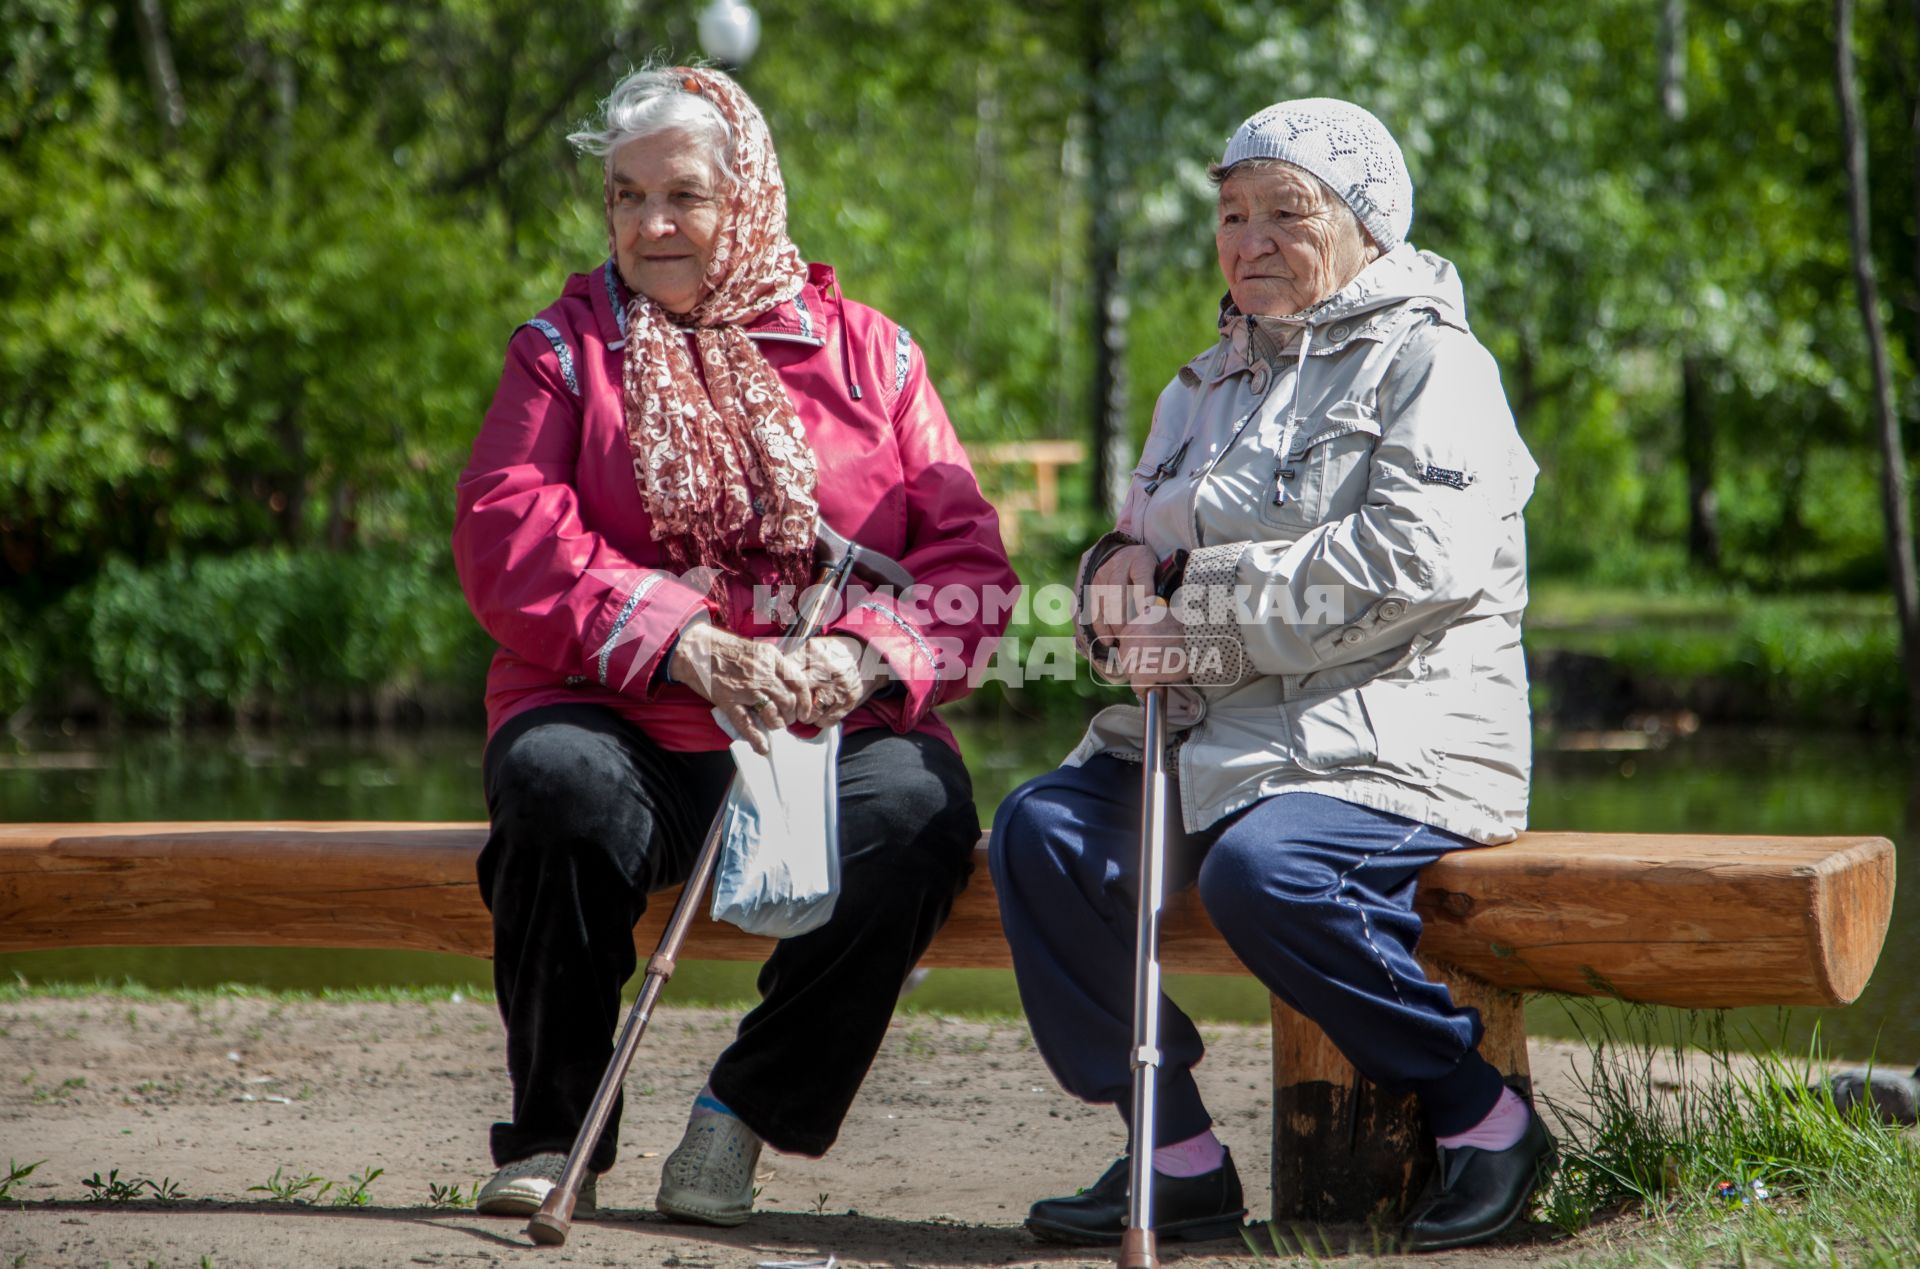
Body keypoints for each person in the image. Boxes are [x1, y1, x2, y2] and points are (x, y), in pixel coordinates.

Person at [452, 65, 1015, 1227]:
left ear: (748, 193)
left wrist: (859, 657)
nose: (650, 224)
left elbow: (970, 573)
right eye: (625, 195)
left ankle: (740, 1118)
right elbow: (506, 532)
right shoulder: (563, 352)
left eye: (684, 195)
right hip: (628, 714)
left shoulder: (876, 360)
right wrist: (686, 643)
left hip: (822, 722)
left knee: (915, 818)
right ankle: (560, 1129)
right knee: (554, 785)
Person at [989, 98, 1546, 1253]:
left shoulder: (1437, 365)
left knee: (1265, 872)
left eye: (1286, 213)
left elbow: (1411, 565)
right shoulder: (1201, 384)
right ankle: (1176, 1152)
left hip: (1397, 729)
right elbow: (1137, 543)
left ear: (1368, 226)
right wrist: (1112, 595)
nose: (1249, 241)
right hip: (1219, 734)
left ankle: (1482, 1116)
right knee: (1039, 832)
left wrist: (1186, 599)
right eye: (1231, 214)